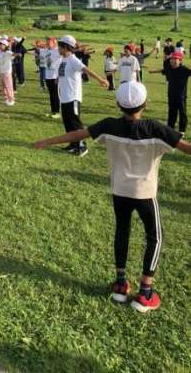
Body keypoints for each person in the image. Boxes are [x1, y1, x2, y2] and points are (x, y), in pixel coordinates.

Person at [34, 81, 191, 312]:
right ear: (145, 104)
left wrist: (46, 141)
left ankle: (120, 284)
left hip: (120, 191)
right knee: (155, 237)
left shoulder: (109, 125)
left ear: (118, 104)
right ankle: (145, 292)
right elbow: (186, 147)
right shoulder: (155, 128)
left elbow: (79, 133)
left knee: (122, 231)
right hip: (145, 193)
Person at [57, 35, 108, 157]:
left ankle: (82, 146)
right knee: (68, 122)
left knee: (75, 123)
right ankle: (73, 144)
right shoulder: (64, 59)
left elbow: (86, 70)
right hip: (64, 97)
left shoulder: (73, 60)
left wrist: (100, 80)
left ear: (65, 47)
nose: (58, 49)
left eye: (60, 46)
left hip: (72, 97)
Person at [149, 51, 190, 137]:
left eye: (175, 59)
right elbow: (162, 71)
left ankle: (182, 130)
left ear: (180, 60)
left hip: (181, 96)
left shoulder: (184, 70)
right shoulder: (169, 68)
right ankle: (170, 128)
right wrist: (152, 71)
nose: (172, 60)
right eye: (171, 59)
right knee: (171, 112)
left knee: (182, 112)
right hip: (171, 95)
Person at [44, 37, 61, 118]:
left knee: (55, 95)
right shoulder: (47, 50)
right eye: (46, 42)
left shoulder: (58, 50)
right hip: (48, 76)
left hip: (55, 76)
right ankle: (53, 111)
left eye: (49, 42)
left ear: (54, 43)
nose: (47, 43)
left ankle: (57, 112)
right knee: (51, 95)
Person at [0, 38, 16, 106]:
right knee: (3, 86)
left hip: (7, 72)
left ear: (5, 45)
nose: (0, 46)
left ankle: (11, 100)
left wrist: (17, 54)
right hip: (2, 71)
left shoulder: (8, 52)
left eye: (1, 44)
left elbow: (13, 54)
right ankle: (6, 99)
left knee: (8, 86)